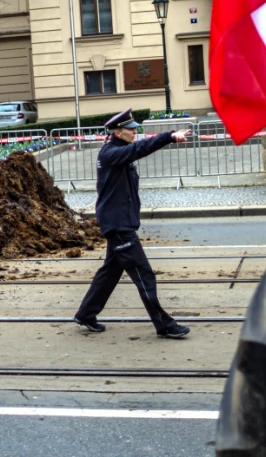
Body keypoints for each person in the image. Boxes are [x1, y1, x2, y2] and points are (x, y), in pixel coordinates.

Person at [74, 109, 193, 339]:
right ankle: (164, 325)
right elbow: (140, 149)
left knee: (109, 273)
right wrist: (169, 136)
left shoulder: (118, 152)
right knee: (144, 275)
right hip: (119, 226)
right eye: (131, 129)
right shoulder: (112, 153)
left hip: (119, 222)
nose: (135, 132)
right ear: (118, 132)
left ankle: (86, 314)